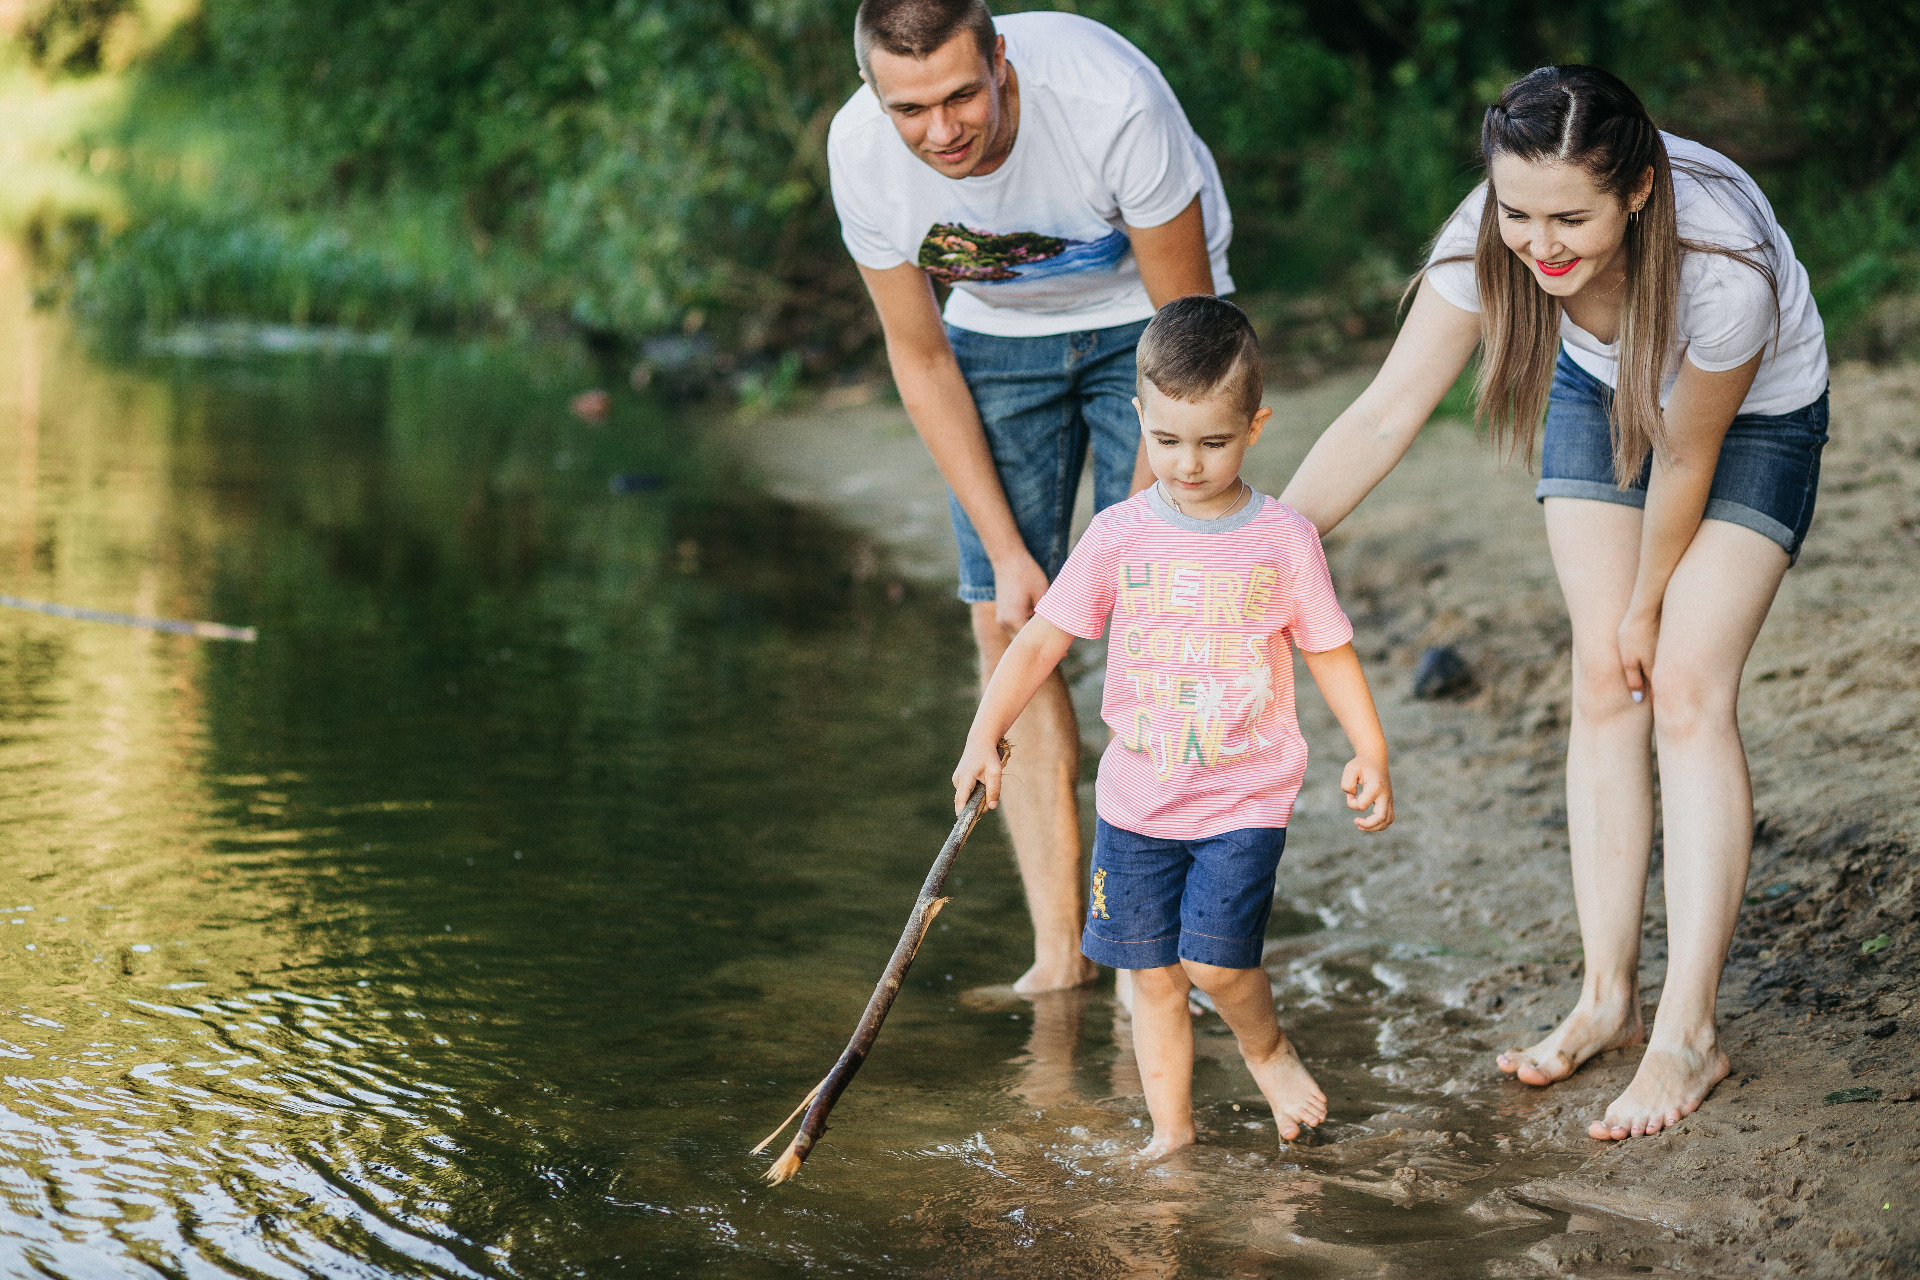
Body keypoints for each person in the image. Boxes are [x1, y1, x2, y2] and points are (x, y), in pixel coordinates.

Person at [1279, 66, 1829, 1142]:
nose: (1541, 244)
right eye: (1518, 213)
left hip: (1752, 413)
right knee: (1600, 675)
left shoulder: (1725, 274)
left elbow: (1684, 457)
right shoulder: (1490, 236)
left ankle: (1688, 1032)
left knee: (1681, 683)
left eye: (1570, 216)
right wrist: (1260, 553)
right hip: (1598, 377)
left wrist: (1647, 601)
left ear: (1639, 189)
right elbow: (1384, 415)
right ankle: (1606, 996)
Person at [827, 0, 1233, 993]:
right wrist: (1012, 558)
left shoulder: (1109, 101)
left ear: (999, 60)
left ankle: (1163, 938)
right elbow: (920, 359)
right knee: (1006, 626)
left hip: (1151, 323)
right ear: (876, 92)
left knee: (1160, 610)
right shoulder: (860, 151)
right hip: (995, 338)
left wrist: (1122, 550)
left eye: (962, 94)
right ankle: (1062, 953)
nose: (942, 130)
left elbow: (1189, 336)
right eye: (910, 108)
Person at [952, 297, 1395, 1156]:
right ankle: (1172, 1135)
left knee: (1219, 965)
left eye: (1213, 442)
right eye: (1167, 441)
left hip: (1244, 795)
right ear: (1139, 420)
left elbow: (1329, 648)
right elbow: (1041, 637)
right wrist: (984, 733)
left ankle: (1267, 1051)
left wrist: (1370, 748)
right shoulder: (1119, 535)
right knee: (1151, 974)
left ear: (1255, 426)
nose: (1188, 465)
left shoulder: (1281, 539)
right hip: (1136, 802)